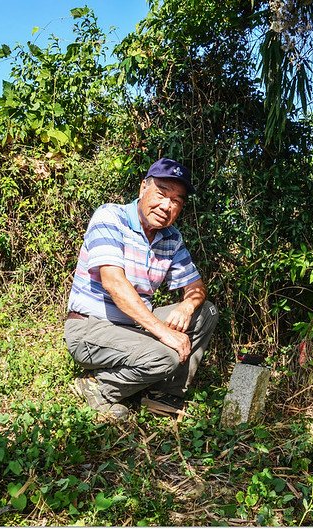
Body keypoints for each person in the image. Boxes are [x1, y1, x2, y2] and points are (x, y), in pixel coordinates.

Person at [64, 157, 218, 419]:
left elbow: (196, 286)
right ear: (142, 189)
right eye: (161, 193)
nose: (166, 206)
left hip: (132, 327)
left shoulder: (171, 238)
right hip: (91, 327)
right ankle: (98, 388)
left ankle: (164, 394)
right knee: (165, 356)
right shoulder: (111, 217)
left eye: (176, 201)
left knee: (206, 312)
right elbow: (114, 282)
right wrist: (163, 333)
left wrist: (187, 304)